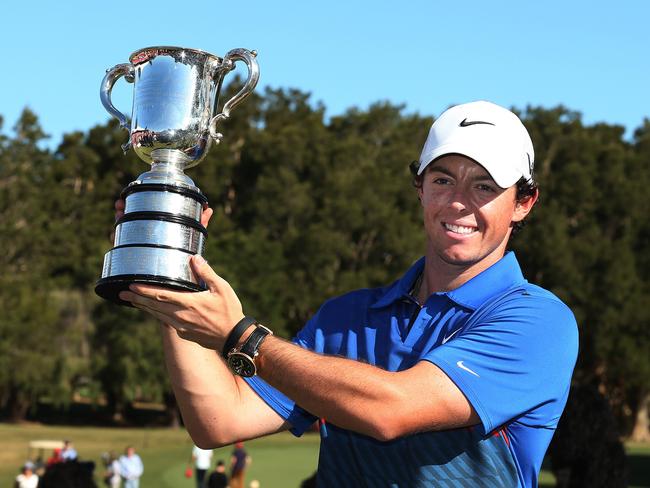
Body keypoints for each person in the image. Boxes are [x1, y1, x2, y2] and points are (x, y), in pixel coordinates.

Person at [119, 100, 579, 487]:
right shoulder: (348, 316)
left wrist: (242, 338)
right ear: (419, 188)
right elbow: (220, 420)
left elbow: (391, 410)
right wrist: (173, 278)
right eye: (443, 180)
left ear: (523, 203)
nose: (459, 201)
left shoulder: (538, 322)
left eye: (485, 186)